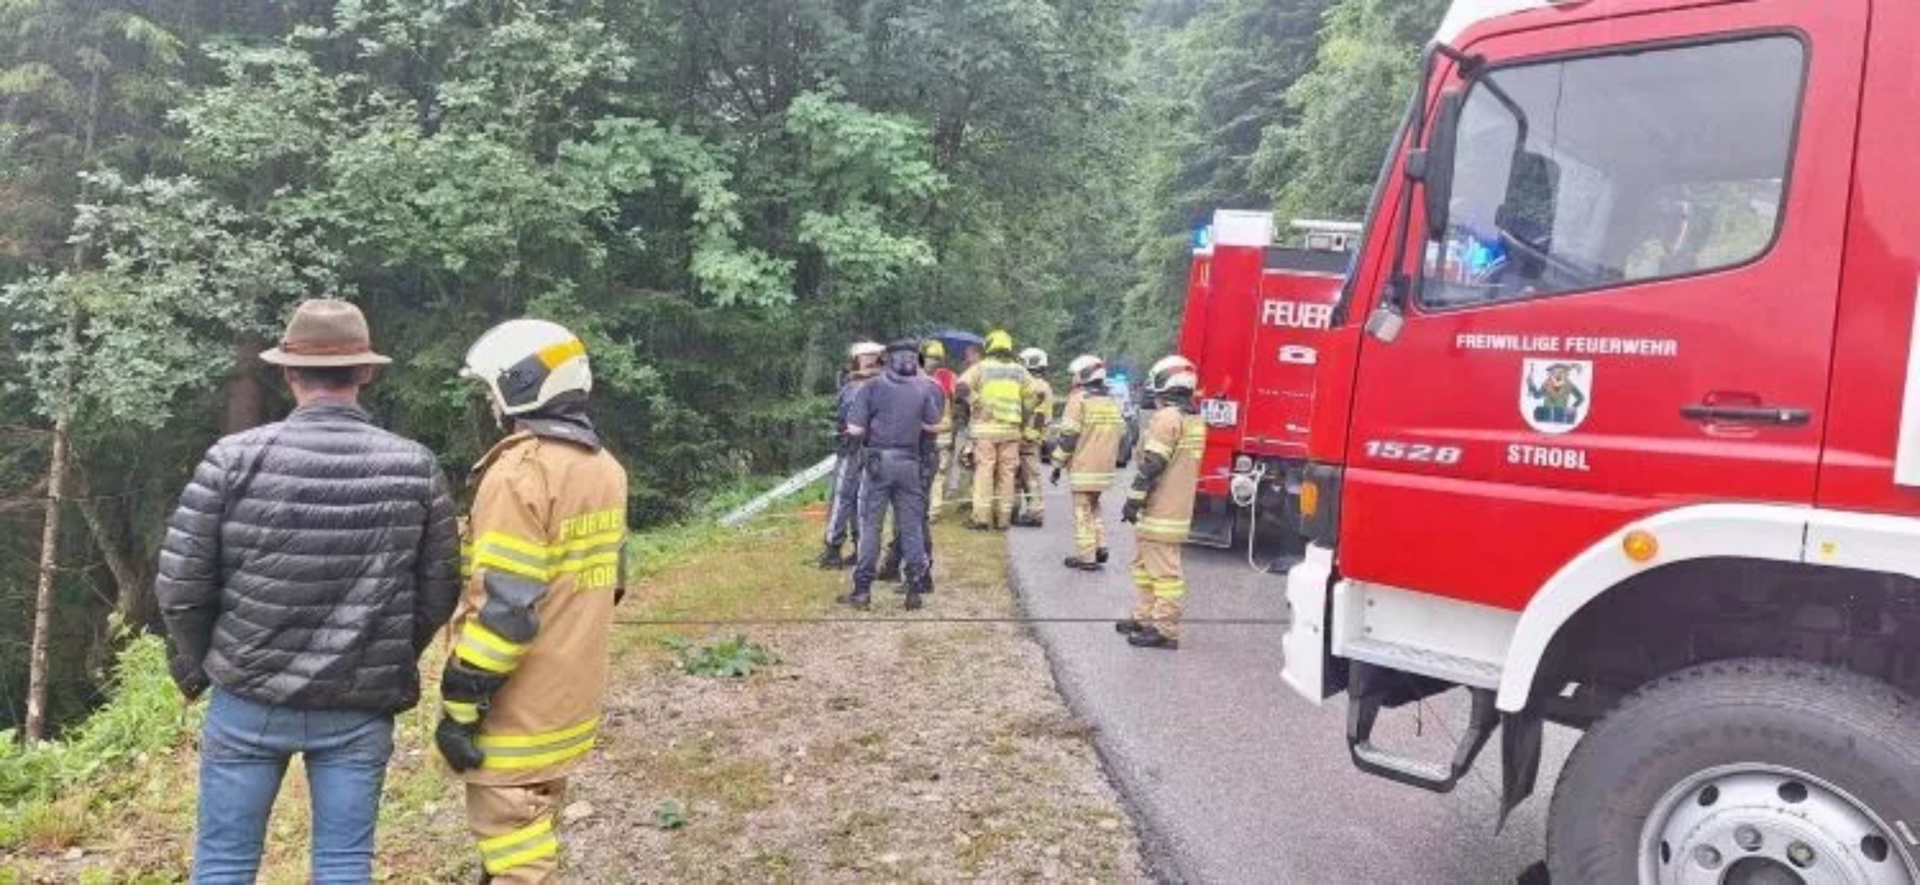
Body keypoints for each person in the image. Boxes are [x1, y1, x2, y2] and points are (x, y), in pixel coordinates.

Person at [156, 299, 460, 883]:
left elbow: (182, 588)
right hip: (357, 707)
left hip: (247, 699)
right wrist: (386, 657)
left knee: (222, 863)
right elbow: (438, 591)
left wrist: (198, 667)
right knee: (345, 865)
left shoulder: (232, 460)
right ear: (366, 371)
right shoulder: (415, 467)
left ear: (289, 372)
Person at [438, 319, 630, 883]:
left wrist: (460, 705)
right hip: (569, 705)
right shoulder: (605, 468)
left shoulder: (519, 474)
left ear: (517, 386)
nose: (490, 404)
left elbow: (506, 612)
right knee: (528, 837)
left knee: (517, 858)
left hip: (515, 716)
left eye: (490, 389)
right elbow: (610, 581)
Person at [840, 338, 944, 611]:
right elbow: (933, 425)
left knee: (871, 525)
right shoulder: (924, 388)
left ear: (887, 359)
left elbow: (854, 428)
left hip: (877, 463)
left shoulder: (872, 386)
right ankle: (914, 590)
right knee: (911, 527)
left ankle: (862, 590)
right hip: (910, 463)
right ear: (915, 360)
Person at [1118, 355, 1207, 650]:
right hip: (1170, 507)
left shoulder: (1168, 418)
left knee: (1165, 571)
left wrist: (1133, 499)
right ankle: (1145, 618)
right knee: (1144, 564)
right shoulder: (1192, 419)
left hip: (1162, 509)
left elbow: (1153, 463)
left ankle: (1164, 628)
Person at [953, 330, 1036, 530]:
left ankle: (981, 518)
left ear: (989, 346)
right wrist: (1024, 415)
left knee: (985, 471)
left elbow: (960, 387)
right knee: (1007, 474)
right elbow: (1036, 395)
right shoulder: (1020, 371)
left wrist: (976, 402)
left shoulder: (981, 368)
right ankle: (1003, 519)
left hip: (985, 431)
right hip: (1011, 431)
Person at [1053, 355, 1124, 571]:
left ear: (1083, 375)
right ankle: (1101, 546)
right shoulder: (1110, 401)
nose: (1072, 378)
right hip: (1105, 469)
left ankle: (1087, 557)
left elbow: (1068, 436)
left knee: (1082, 511)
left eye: (1074, 374)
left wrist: (1056, 464)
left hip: (1084, 467)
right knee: (1095, 507)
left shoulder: (1079, 399)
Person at [818, 341, 885, 568]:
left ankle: (833, 549)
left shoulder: (863, 385)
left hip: (855, 447)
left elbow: (848, 416)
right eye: (865, 355)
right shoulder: (881, 383)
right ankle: (858, 548)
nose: (869, 359)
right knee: (858, 499)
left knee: (842, 496)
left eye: (872, 355)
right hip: (869, 447)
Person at [1012, 347, 1053, 528]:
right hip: (1025, 437)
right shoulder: (1038, 384)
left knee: (1031, 477)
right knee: (1018, 477)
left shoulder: (1038, 386)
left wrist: (1030, 436)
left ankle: (1035, 513)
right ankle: (1013, 511)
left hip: (1028, 439)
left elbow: (1040, 415)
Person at [923, 339, 958, 520]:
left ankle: (928, 508)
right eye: (931, 357)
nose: (932, 361)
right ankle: (932, 510)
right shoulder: (950, 376)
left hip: (929, 431)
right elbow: (957, 401)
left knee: (930, 471)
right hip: (943, 430)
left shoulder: (916, 375)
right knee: (938, 472)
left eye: (934, 358)